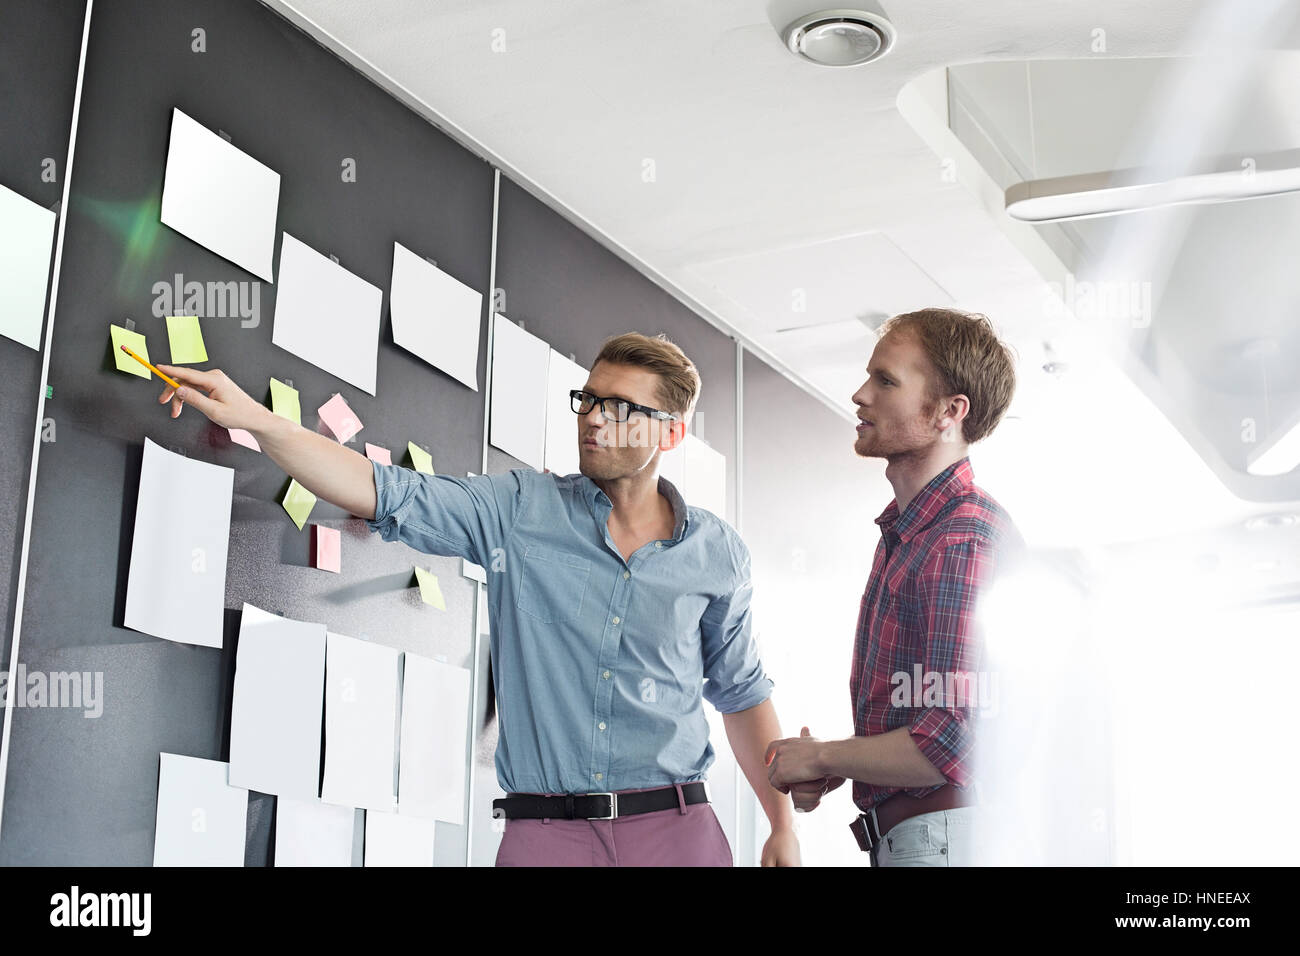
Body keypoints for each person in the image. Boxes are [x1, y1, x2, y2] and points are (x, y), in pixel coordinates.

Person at [155, 330, 799, 867]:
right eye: (589, 400)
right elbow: (385, 490)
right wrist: (258, 419)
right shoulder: (521, 510)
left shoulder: (717, 555)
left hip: (674, 833)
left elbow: (741, 695)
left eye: (622, 408)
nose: (596, 419)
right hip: (546, 837)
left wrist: (783, 825)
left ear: (670, 435)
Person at [764, 308, 1025, 866]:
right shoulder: (909, 532)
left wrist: (823, 757)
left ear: (948, 413)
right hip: (927, 839)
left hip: (944, 839)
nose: (860, 394)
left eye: (886, 381)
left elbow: (947, 738)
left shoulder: (961, 536)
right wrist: (830, 762)